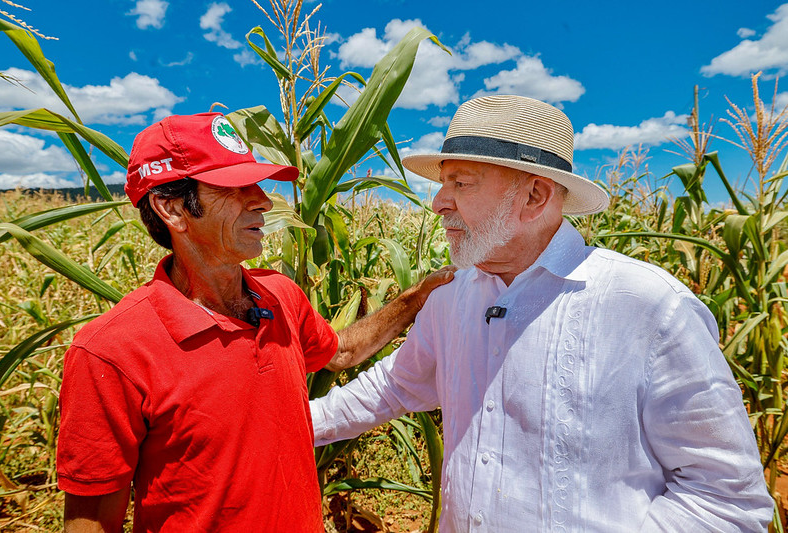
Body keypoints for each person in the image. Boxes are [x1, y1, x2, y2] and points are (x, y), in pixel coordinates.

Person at [311, 95, 774, 531]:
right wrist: (282, 423)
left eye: (461, 184)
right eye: (443, 183)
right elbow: (393, 386)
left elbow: (724, 500)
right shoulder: (451, 297)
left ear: (534, 196)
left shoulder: (648, 307)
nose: (438, 203)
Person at [56, 112, 453, 532]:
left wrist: (416, 296)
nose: (263, 200)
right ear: (171, 208)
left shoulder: (281, 296)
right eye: (233, 188)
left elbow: (343, 352)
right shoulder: (110, 351)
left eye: (257, 183)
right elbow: (91, 523)